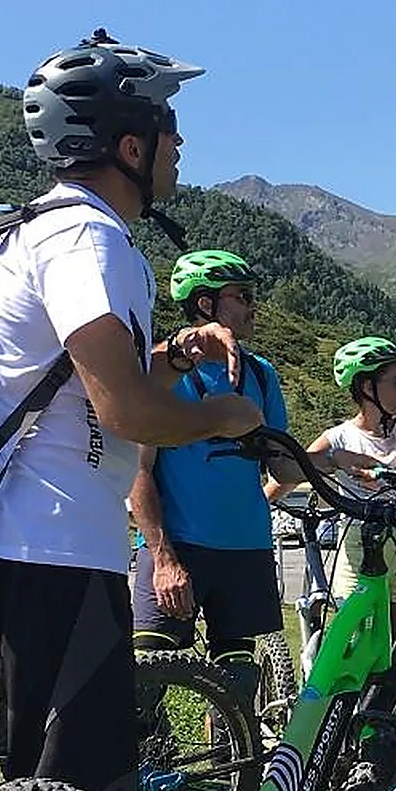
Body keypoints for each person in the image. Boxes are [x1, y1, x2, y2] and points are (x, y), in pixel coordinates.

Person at [0, 30, 262, 791]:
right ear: (129, 146)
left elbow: (87, 385)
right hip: (46, 548)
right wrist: (223, 414)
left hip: (40, 542)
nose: (180, 146)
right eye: (168, 129)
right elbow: (123, 414)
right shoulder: (88, 240)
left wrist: (169, 355)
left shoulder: (55, 232)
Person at [130, 251, 303, 674]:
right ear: (206, 304)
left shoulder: (261, 374)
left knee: (237, 682)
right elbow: (138, 470)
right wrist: (163, 558)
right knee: (146, 675)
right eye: (242, 296)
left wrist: (334, 460)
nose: (253, 307)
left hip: (246, 546)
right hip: (178, 546)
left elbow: (282, 466)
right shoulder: (164, 372)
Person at [267, 337, 396, 635]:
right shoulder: (339, 437)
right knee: (355, 639)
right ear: (368, 388)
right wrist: (254, 507)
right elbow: (289, 474)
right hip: (359, 547)